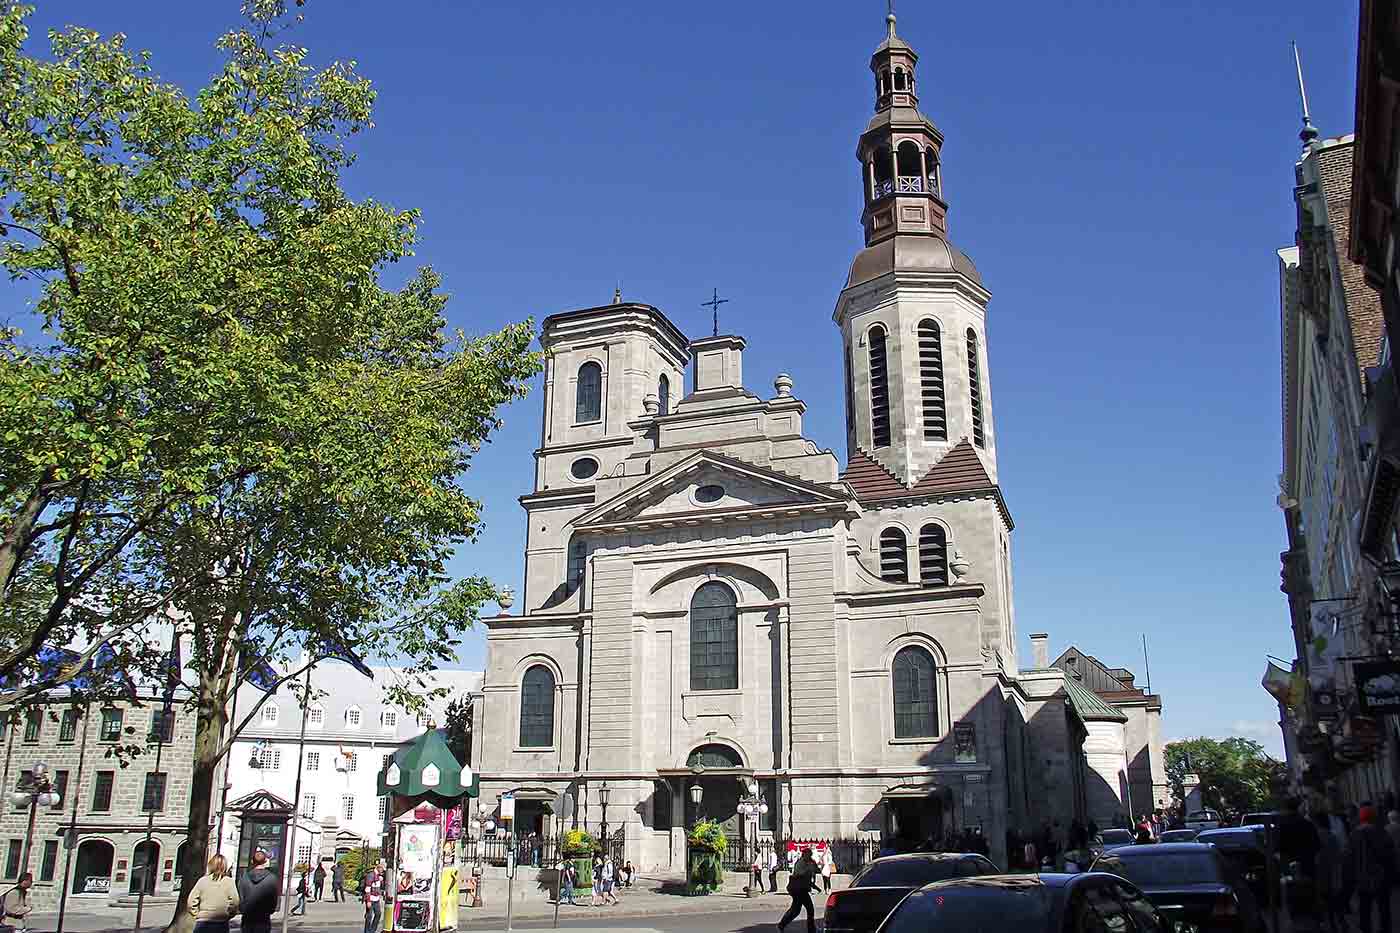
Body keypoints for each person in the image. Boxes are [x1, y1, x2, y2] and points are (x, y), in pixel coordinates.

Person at [1346, 804, 1396, 933]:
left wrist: (1351, 878)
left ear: (1361, 818)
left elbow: (1349, 858)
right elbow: (1390, 855)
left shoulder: (1353, 834)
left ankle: (1366, 929)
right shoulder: (1381, 832)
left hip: (1362, 878)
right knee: (1384, 909)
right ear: (1373, 817)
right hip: (1381, 876)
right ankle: (1385, 930)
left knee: (1365, 909)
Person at [1312, 812, 1348, 933]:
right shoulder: (1332, 836)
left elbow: (1316, 856)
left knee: (1326, 901)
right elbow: (1338, 854)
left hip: (1322, 872)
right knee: (1336, 899)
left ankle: (1332, 924)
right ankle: (1341, 922)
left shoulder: (1315, 836)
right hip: (1333, 871)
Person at [188, 855, 240, 933]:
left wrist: (197, 914)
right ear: (224, 866)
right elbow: (235, 902)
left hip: (202, 922)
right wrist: (229, 914)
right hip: (221, 922)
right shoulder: (229, 882)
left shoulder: (202, 880)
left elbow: (191, 902)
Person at [778, 847, 819, 933]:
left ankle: (782, 925)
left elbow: (813, 873)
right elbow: (799, 874)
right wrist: (809, 868)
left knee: (796, 910)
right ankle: (811, 929)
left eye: (811, 855)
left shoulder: (809, 863)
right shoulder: (800, 863)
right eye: (809, 854)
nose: (810, 856)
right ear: (804, 854)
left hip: (801, 889)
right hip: (799, 890)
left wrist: (815, 886)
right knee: (809, 909)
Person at [238, 849, 279, 933]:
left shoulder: (244, 878)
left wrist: (242, 909)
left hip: (247, 918)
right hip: (263, 919)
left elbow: (240, 898)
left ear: (252, 861)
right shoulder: (272, 878)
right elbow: (274, 900)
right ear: (265, 861)